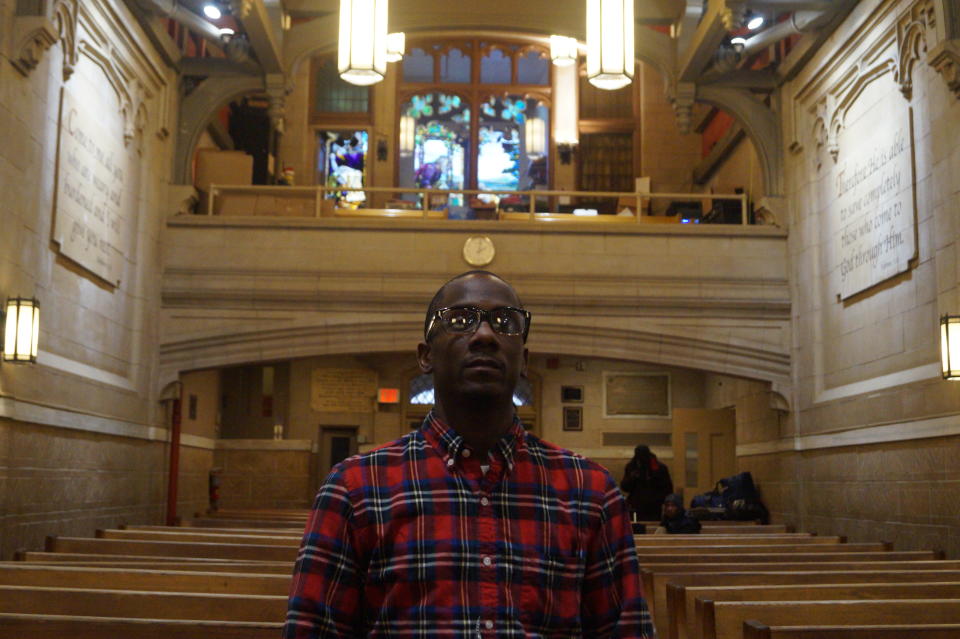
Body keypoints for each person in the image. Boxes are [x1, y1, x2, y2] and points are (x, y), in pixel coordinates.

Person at [284, 270, 654, 637]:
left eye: (504, 322)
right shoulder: (355, 488)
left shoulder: (589, 490)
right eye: (461, 320)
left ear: (524, 361)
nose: (484, 335)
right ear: (425, 356)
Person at [620, 444, 673, 522]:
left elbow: (667, 488)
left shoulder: (659, 468)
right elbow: (625, 487)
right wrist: (632, 478)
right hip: (638, 505)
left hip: (653, 506)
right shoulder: (632, 467)